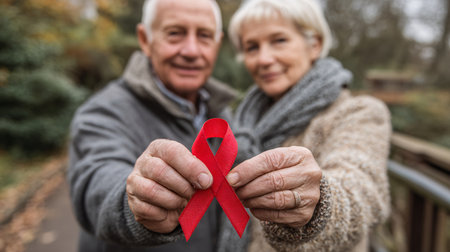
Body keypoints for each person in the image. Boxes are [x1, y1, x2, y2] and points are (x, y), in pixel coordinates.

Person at [220, 0, 392, 251]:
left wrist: (318, 205)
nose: (264, 59)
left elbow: (362, 191)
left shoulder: (358, 113)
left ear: (315, 45)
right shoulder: (242, 122)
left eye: (279, 40)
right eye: (252, 47)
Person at [68, 0, 235, 251]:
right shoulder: (102, 113)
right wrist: (135, 198)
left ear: (217, 43)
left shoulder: (223, 114)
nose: (191, 50)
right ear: (145, 40)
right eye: (175, 34)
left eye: (204, 36)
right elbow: (96, 184)